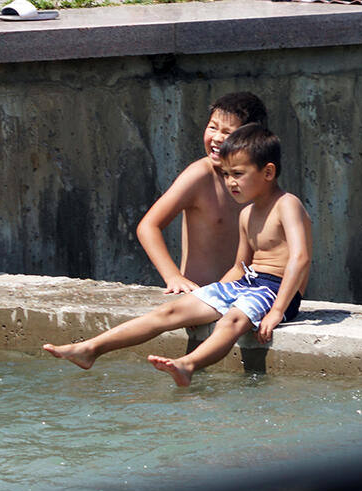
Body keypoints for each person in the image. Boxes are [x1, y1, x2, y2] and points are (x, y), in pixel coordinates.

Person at [45, 124, 312, 386]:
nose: (231, 182)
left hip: (275, 291)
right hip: (247, 284)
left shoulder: (287, 204)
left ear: (268, 172)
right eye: (226, 174)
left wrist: (277, 311)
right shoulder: (246, 214)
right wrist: (208, 302)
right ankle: (91, 349)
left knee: (233, 320)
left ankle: (188, 365)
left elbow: (300, 258)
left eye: (238, 174)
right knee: (172, 310)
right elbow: (239, 268)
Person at [136, 92, 268, 294]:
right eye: (212, 127)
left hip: (241, 294)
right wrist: (173, 277)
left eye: (227, 132)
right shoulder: (199, 175)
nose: (217, 138)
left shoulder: (257, 181)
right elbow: (147, 226)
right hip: (199, 295)